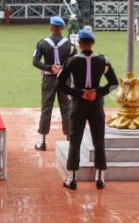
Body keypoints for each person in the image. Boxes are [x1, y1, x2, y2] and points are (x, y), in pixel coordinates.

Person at [56, 29, 118, 190]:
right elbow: (113, 83)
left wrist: (79, 94)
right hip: (96, 104)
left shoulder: (72, 61)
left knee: (74, 141)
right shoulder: (103, 61)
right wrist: (97, 93)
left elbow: (60, 84)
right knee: (99, 141)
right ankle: (100, 178)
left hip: (78, 104)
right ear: (93, 43)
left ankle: (72, 179)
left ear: (79, 43)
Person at [32, 16, 76, 150]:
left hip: (48, 79)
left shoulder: (42, 43)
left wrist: (50, 68)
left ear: (51, 28)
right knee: (67, 108)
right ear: (62, 28)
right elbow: (75, 63)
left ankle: (42, 142)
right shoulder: (70, 45)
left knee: (46, 108)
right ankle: (69, 141)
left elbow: (35, 62)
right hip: (65, 80)